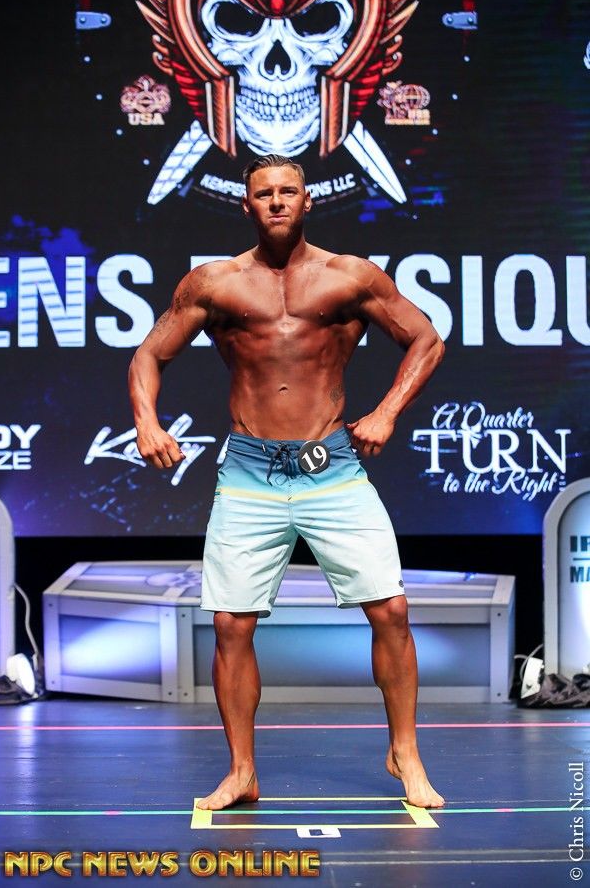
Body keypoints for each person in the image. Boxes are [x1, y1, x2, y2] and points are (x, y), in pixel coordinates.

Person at [128, 153, 445, 812]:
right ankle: (242, 771)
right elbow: (149, 354)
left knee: (390, 610)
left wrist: (387, 411)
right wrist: (146, 423)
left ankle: (405, 752)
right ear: (245, 204)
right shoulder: (214, 283)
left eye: (288, 191)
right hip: (250, 470)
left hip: (332, 467)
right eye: (264, 193)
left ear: (307, 201)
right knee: (231, 625)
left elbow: (426, 339)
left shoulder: (349, 276)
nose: (276, 201)